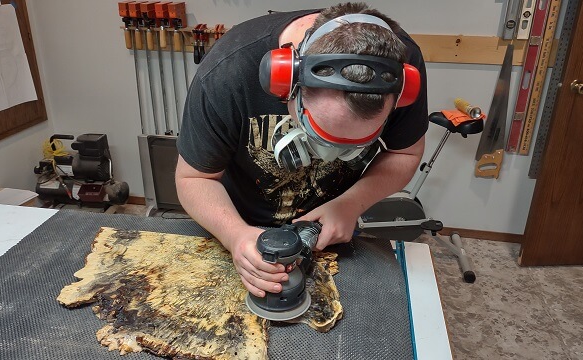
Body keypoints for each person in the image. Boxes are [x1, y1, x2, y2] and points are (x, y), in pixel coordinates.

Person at [175, 2, 428, 300]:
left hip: (334, 228)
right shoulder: (228, 71)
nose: (332, 156)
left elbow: (405, 154)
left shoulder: (398, 70)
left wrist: (350, 204)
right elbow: (193, 179)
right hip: (236, 223)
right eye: (318, 136)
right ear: (286, 83)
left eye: (352, 147)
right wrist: (236, 236)